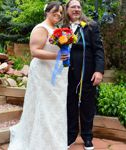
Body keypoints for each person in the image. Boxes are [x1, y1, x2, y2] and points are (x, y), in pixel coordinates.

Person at [8, 1, 69, 150]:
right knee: (44, 106)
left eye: (61, 12)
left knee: (56, 108)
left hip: (57, 75)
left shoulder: (58, 29)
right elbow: (35, 51)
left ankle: (54, 142)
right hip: (43, 74)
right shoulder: (41, 28)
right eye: (56, 11)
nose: (59, 14)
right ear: (47, 11)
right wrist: (56, 56)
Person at [64, 0, 104, 150]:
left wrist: (99, 70)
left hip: (87, 73)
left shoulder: (91, 26)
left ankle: (87, 136)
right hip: (66, 74)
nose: (76, 9)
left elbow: (99, 49)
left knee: (87, 105)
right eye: (73, 7)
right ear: (67, 10)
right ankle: (71, 135)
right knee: (69, 104)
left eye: (78, 7)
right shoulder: (62, 28)